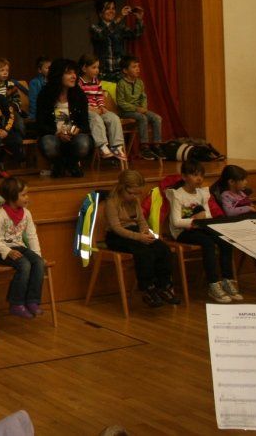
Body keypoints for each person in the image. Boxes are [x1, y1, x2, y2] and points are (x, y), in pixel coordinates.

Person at [102, 170, 180, 307]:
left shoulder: (135, 201)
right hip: (117, 237)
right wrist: (139, 237)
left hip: (135, 233)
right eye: (131, 193)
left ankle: (164, 286)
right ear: (122, 188)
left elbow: (142, 221)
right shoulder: (111, 202)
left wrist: (146, 233)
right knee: (144, 252)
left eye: (137, 193)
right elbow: (117, 228)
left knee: (163, 248)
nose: (134, 196)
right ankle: (148, 288)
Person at [168, 160, 241, 303]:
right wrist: (195, 220)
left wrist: (201, 219)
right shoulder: (177, 195)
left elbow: (208, 216)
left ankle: (228, 280)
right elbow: (176, 221)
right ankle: (213, 284)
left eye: (201, 175)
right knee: (208, 243)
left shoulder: (202, 193)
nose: (199, 179)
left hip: (201, 228)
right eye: (195, 175)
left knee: (225, 239)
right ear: (184, 176)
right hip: (182, 232)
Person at [0, 177, 46, 319]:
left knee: (38, 262)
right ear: (12, 196)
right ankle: (16, 304)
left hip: (20, 248)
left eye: (27, 194)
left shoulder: (26, 213)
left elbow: (32, 236)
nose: (27, 197)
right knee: (25, 265)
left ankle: (32, 301)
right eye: (23, 194)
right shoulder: (1, 215)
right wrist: (8, 251)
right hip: (3, 252)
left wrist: (37, 255)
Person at [34, 59, 93, 178]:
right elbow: (40, 124)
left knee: (84, 143)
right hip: (54, 136)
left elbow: (85, 124)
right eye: (68, 73)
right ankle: (58, 164)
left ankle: (72, 164)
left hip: (74, 137)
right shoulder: (45, 95)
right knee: (48, 144)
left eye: (74, 73)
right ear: (58, 75)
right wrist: (57, 133)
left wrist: (77, 130)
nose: (74, 76)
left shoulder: (79, 95)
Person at [77, 53, 126, 162]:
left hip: (98, 110)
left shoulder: (96, 82)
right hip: (86, 111)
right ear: (84, 68)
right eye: (93, 67)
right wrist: (90, 109)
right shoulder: (78, 83)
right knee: (96, 118)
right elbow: (79, 100)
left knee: (113, 117)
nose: (97, 70)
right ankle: (102, 146)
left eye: (98, 67)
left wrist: (102, 107)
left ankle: (116, 146)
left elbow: (99, 96)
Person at [115, 55, 162, 161]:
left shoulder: (140, 82)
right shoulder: (121, 84)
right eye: (134, 67)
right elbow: (121, 102)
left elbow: (143, 97)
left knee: (157, 118)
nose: (138, 69)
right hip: (126, 111)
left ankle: (157, 145)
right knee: (142, 118)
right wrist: (136, 109)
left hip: (140, 110)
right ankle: (144, 147)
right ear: (125, 70)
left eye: (138, 66)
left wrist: (143, 108)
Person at [89, 0, 144, 81]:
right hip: (102, 73)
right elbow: (103, 34)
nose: (111, 11)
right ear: (100, 13)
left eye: (113, 8)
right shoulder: (94, 27)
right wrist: (120, 16)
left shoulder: (119, 27)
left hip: (120, 73)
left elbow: (135, 34)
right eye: (108, 8)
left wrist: (139, 19)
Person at [26, 56, 51, 129]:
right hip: (39, 114)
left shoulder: (53, 82)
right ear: (40, 70)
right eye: (47, 68)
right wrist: (34, 117)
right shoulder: (34, 82)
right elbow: (33, 101)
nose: (50, 70)